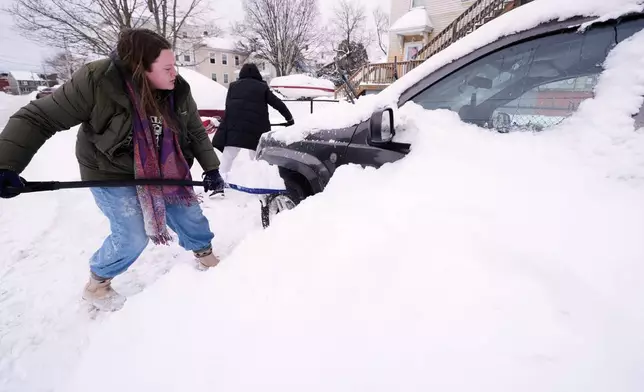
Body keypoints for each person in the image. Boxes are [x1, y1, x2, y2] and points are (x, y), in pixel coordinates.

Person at [0, 29, 226, 311]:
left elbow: (194, 129)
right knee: (132, 235)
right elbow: (38, 118)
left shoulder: (177, 90)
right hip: (109, 170)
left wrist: (211, 168)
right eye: (167, 68)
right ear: (140, 68)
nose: (174, 74)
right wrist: (6, 164)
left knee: (188, 212)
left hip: (162, 168)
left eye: (175, 66)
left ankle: (205, 256)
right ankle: (98, 284)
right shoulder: (96, 80)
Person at [211, 63, 294, 195]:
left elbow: (228, 106)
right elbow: (277, 103)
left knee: (228, 156)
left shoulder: (233, 86)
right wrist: (289, 118)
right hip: (256, 129)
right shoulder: (262, 87)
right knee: (257, 157)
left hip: (234, 126)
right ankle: (259, 186)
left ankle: (218, 185)